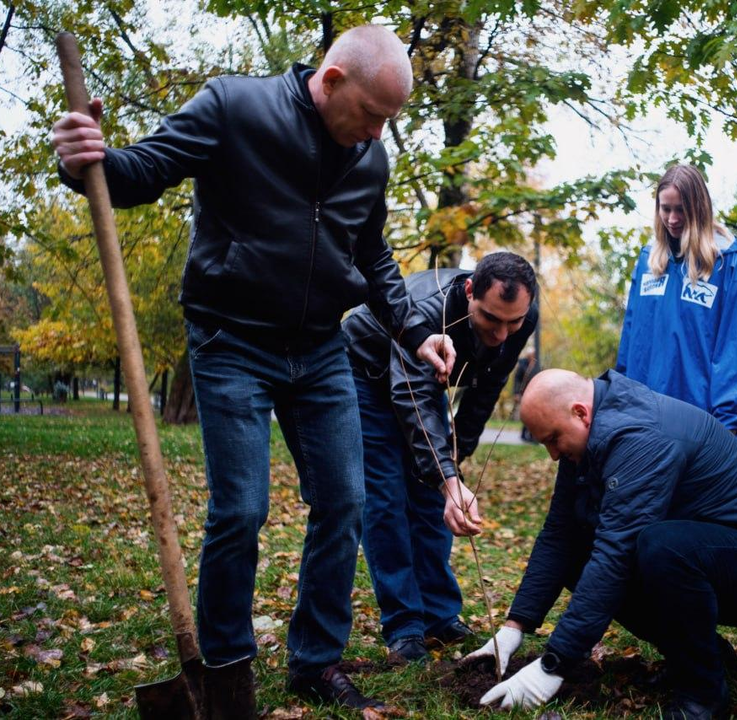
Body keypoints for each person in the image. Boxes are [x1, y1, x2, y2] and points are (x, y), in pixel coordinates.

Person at [51, 25, 457, 716]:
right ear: (330, 81)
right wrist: (81, 160)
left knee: (345, 502)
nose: (374, 134)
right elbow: (134, 175)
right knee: (242, 509)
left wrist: (416, 331)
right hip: (230, 338)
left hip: (319, 345)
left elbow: (372, 253)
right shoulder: (233, 108)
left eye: (387, 123)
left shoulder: (369, 155)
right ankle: (227, 664)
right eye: (369, 115)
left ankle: (316, 660)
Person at [471, 369, 737, 719]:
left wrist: (553, 665)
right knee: (583, 553)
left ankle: (703, 696)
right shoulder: (589, 439)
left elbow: (617, 553)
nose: (552, 454)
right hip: (709, 555)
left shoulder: (640, 436)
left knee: (660, 548)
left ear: (580, 413)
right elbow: (560, 533)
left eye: (553, 439)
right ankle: (707, 655)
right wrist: (514, 628)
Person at [343, 252, 538, 663]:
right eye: (491, 319)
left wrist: (456, 465)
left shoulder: (522, 316)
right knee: (386, 497)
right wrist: (447, 477)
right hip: (366, 375)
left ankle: (439, 615)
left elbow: (487, 387)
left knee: (434, 498)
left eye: (513, 322)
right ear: (470, 291)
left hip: (421, 387)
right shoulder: (427, 311)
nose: (503, 334)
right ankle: (405, 627)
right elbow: (409, 396)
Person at [616, 164, 737, 447]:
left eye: (681, 209)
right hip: (645, 426)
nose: (672, 218)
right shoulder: (648, 261)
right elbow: (630, 345)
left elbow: (735, 354)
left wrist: (727, 431)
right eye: (665, 209)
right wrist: (622, 407)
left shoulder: (726, 264)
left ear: (699, 208)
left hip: (699, 431)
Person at [512, 346, 539, 441]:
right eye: (532, 354)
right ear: (528, 355)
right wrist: (516, 393)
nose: (533, 356)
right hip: (524, 392)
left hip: (534, 392)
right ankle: (525, 434)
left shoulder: (536, 364)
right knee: (528, 413)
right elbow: (517, 379)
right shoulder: (522, 364)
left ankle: (531, 435)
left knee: (534, 414)